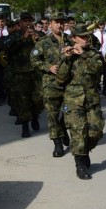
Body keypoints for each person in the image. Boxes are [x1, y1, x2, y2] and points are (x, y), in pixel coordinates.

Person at [56, 24, 105, 180]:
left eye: (87, 36)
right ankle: (80, 164)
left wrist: (83, 54)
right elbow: (61, 77)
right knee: (78, 133)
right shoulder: (66, 54)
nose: (86, 39)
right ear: (73, 38)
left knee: (96, 131)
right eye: (82, 36)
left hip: (91, 98)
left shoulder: (93, 54)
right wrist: (67, 59)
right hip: (73, 99)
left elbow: (97, 69)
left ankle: (84, 151)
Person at [0, 12, 44, 137]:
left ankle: (35, 115)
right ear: (20, 23)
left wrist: (40, 41)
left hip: (36, 72)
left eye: (30, 21)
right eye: (25, 21)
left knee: (39, 98)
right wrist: (22, 38)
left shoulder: (40, 35)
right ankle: (25, 126)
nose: (28, 23)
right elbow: (1, 47)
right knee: (23, 101)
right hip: (20, 73)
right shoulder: (14, 35)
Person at [30, 12, 72, 157]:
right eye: (56, 22)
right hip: (51, 84)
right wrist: (48, 67)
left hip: (69, 83)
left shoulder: (70, 40)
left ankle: (63, 129)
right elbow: (34, 60)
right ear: (50, 24)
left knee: (69, 112)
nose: (59, 25)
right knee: (52, 115)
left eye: (62, 22)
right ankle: (57, 144)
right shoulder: (43, 42)